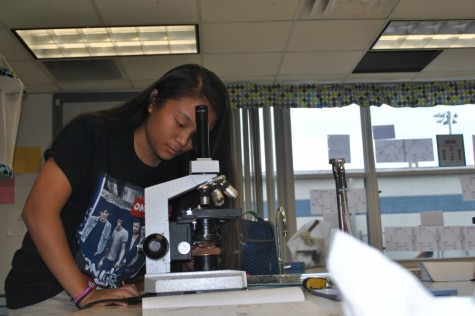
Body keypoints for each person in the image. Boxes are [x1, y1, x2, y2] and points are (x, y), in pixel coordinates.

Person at [4, 63, 237, 315]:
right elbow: (38, 212)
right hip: (49, 291)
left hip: (116, 295)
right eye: (180, 123)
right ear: (154, 100)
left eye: (195, 136)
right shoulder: (92, 135)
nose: (183, 141)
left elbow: (155, 256)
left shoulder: (177, 173)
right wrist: (86, 294)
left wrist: (189, 259)